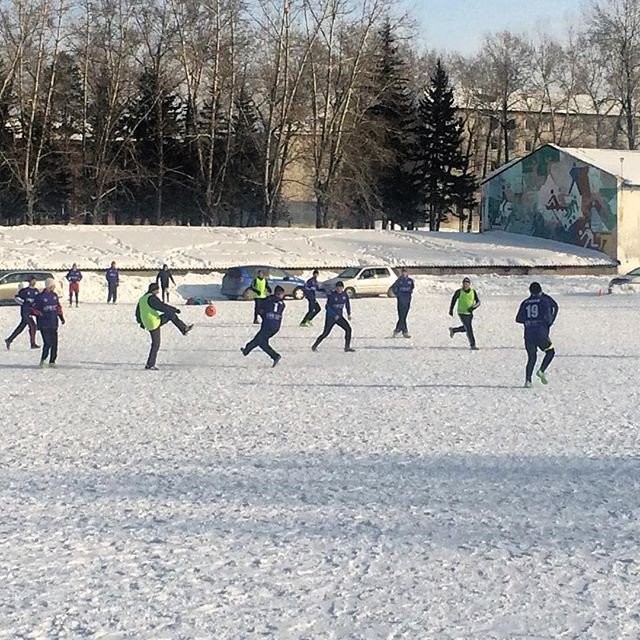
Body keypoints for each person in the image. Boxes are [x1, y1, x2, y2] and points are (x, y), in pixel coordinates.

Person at [135, 282, 193, 370]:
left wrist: (141, 323)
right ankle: (150, 364)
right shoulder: (152, 298)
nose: (158, 292)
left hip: (148, 322)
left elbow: (137, 313)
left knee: (171, 315)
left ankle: (184, 328)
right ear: (154, 290)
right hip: (153, 322)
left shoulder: (143, 298)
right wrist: (174, 309)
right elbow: (161, 306)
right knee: (156, 344)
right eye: (157, 290)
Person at [516, 281, 559, 388]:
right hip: (540, 333)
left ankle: (528, 381)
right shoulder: (544, 301)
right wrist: (548, 323)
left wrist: (528, 320)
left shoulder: (525, 302)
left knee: (531, 357)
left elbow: (518, 319)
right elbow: (549, 315)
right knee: (550, 352)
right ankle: (541, 370)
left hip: (528, 333)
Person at [241, 285, 286, 367]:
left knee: (261, 342)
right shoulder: (282, 304)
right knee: (259, 339)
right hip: (276, 327)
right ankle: (246, 350)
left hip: (267, 325)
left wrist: (263, 315)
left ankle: (275, 356)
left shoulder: (268, 300)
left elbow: (260, 310)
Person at [311, 281, 355, 353]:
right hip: (331, 317)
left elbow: (347, 304)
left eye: (340, 288)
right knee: (325, 333)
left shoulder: (344, 295)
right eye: (338, 288)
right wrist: (334, 315)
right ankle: (314, 346)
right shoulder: (332, 295)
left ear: (343, 288)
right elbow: (327, 307)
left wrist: (349, 314)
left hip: (339, 317)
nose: (339, 289)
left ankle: (347, 347)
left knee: (348, 329)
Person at [31, 278, 65, 368]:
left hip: (53, 323)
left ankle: (52, 361)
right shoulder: (40, 297)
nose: (54, 287)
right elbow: (33, 309)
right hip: (44, 324)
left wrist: (61, 317)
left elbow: (58, 307)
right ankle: (43, 360)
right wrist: (39, 313)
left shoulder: (54, 295)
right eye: (53, 285)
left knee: (54, 343)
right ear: (49, 285)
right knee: (47, 343)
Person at [5, 276, 40, 351]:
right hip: (25, 311)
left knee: (21, 327)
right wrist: (23, 303)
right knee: (32, 325)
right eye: (33, 281)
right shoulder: (25, 291)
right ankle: (33, 343)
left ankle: (9, 339)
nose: (34, 282)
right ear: (30, 282)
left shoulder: (36, 291)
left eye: (35, 281)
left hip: (32, 311)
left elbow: (38, 301)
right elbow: (16, 297)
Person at [449, 277, 480, 350]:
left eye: (467, 283)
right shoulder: (459, 292)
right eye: (464, 283)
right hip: (462, 312)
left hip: (469, 313)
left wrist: (473, 308)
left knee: (466, 328)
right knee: (469, 328)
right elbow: (453, 300)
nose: (465, 285)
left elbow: (478, 302)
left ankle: (454, 330)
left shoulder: (473, 292)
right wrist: (451, 309)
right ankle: (473, 345)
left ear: (469, 284)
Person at [391, 267, 415, 338]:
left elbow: (412, 288)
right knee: (402, 316)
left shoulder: (410, 281)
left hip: (407, 300)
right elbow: (393, 288)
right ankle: (405, 332)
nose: (404, 273)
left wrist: (409, 293)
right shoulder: (399, 281)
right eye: (403, 272)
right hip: (401, 301)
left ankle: (397, 330)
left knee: (403, 317)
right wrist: (398, 294)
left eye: (405, 272)